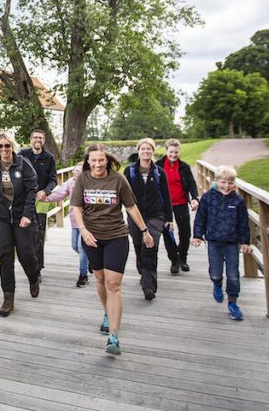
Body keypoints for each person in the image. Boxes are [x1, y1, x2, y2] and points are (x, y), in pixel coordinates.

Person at [71, 144, 153, 356]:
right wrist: (83, 230)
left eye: (101, 160)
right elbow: (76, 208)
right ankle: (108, 313)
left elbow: (131, 207)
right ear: (88, 161)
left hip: (116, 236)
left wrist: (144, 231)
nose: (97, 164)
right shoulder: (83, 179)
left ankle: (114, 336)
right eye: (93, 160)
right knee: (99, 279)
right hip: (92, 238)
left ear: (106, 160)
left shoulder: (118, 179)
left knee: (113, 284)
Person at [0, 132, 40, 317]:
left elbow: (32, 190)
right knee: (5, 255)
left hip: (22, 216)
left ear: (12, 146)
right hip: (1, 218)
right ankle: (8, 296)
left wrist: (28, 214)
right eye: (0, 146)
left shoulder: (23, 164)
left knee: (26, 253)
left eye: (7, 145)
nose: (3, 149)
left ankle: (33, 277)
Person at [191, 165, 251, 321]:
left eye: (230, 182)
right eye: (223, 182)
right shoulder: (208, 198)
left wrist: (245, 242)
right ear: (216, 181)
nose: (227, 186)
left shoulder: (238, 201)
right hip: (214, 241)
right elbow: (200, 218)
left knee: (233, 274)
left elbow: (243, 223)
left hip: (232, 242)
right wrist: (197, 235)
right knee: (216, 271)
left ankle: (233, 303)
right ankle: (217, 283)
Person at [123, 138, 172, 300]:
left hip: (155, 215)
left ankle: (149, 286)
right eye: (143, 149)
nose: (146, 152)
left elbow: (166, 196)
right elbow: (122, 194)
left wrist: (169, 218)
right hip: (135, 216)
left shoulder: (159, 172)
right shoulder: (129, 172)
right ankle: (143, 271)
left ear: (153, 151)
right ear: (138, 151)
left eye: (149, 149)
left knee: (150, 246)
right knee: (139, 245)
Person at [156, 139, 201, 274]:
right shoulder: (158, 166)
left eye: (176, 152)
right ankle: (174, 261)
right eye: (171, 152)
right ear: (166, 151)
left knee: (185, 232)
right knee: (167, 233)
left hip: (180, 202)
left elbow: (192, 184)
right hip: (164, 205)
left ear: (179, 151)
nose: (173, 155)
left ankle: (183, 258)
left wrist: (194, 198)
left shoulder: (184, 167)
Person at [19, 129, 58, 279]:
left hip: (40, 201)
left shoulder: (49, 158)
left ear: (44, 140)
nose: (38, 140)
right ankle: (27, 265)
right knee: (23, 235)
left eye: (40, 138)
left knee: (38, 236)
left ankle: (37, 270)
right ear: (31, 139)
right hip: (23, 201)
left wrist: (46, 191)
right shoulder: (22, 155)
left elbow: (53, 179)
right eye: (35, 137)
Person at [41, 163, 87, 286]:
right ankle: (90, 260)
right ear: (73, 173)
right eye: (75, 171)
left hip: (87, 221)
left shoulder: (89, 182)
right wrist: (44, 198)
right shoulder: (70, 182)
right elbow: (59, 194)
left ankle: (83, 275)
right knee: (75, 246)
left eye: (80, 171)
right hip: (74, 220)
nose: (77, 173)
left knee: (82, 247)